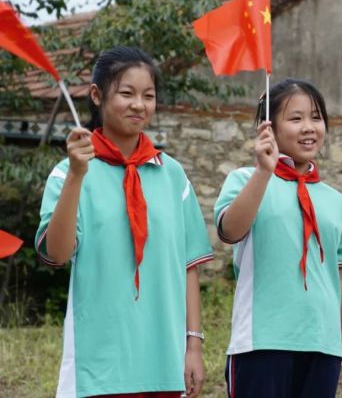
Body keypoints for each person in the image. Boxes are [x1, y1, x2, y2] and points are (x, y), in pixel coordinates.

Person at [35, 46, 213, 398]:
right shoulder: (67, 174)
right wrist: (76, 176)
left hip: (164, 359)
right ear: (97, 96)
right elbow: (55, 254)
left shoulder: (173, 175)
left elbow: (188, 266)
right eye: (127, 93)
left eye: (148, 96)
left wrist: (193, 346)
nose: (139, 105)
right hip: (98, 364)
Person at [214, 78, 342, 398]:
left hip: (322, 346)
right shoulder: (245, 179)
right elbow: (230, 231)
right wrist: (262, 172)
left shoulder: (334, 200)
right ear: (268, 127)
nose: (309, 127)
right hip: (260, 344)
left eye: (316, 117)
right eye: (295, 119)